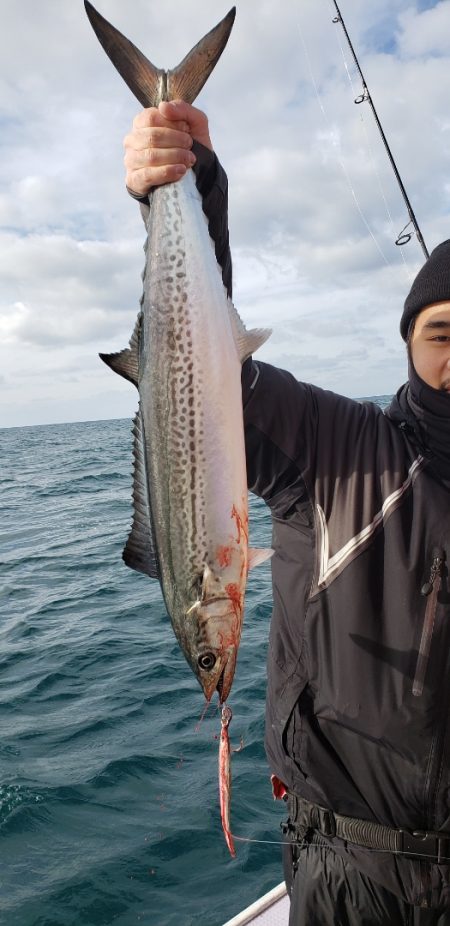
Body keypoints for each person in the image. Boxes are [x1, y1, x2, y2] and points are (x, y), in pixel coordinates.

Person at [123, 100, 450, 924]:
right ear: (408, 342)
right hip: (356, 885)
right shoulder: (342, 450)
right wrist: (190, 188)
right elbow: (211, 385)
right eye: (444, 333)